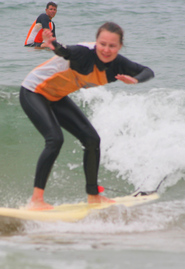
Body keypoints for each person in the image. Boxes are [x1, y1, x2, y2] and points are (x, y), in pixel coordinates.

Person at [20, 22, 155, 210]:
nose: (106, 50)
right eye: (102, 44)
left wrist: (135, 80)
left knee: (92, 139)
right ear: (96, 42)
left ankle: (93, 196)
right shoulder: (84, 53)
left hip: (56, 96)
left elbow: (147, 71)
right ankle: (36, 201)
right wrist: (53, 44)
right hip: (33, 91)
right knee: (55, 139)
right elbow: (64, 51)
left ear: (120, 46)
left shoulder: (118, 64)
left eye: (112, 46)